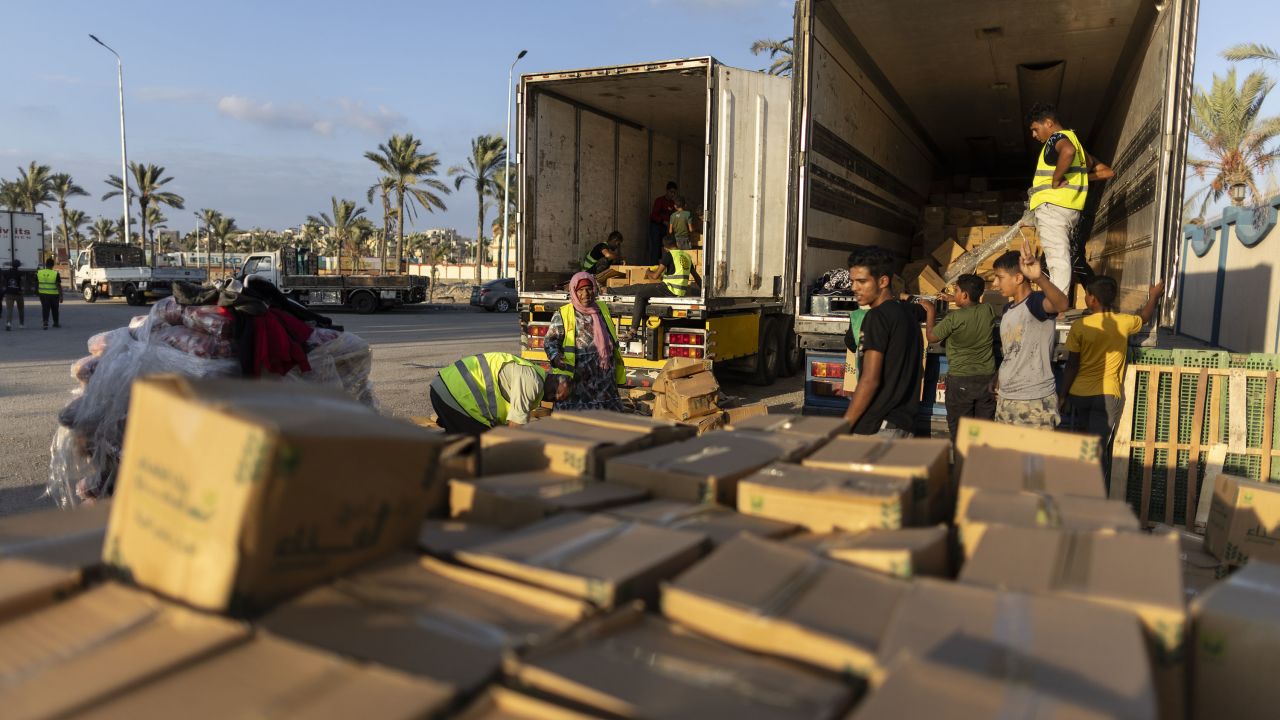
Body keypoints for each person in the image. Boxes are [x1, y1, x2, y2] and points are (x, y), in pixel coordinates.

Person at [1061, 276, 1164, 474]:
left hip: (1080, 395)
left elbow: (1072, 365)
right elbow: (1144, 317)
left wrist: (1063, 395)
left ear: (1092, 300)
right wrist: (1153, 297)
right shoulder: (1123, 322)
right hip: (1107, 396)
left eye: (1087, 295)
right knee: (1098, 451)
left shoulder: (1080, 326)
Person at [1026, 103, 1114, 293]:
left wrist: (1056, 179)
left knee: (1057, 261)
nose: (1034, 135)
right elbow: (1105, 171)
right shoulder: (1077, 143)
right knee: (1057, 259)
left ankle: (1056, 308)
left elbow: (1067, 152)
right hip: (1069, 209)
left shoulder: (1057, 138)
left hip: (1052, 207)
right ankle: (1057, 303)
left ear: (1048, 123)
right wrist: (1079, 178)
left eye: (1035, 129)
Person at [843, 247, 927, 437]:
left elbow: (870, 380)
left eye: (862, 281)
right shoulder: (908, 313)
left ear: (883, 281)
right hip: (904, 426)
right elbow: (927, 309)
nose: (854, 288)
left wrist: (844, 425)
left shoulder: (876, 317)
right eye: (852, 281)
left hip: (878, 427)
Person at [991, 241, 1071, 429]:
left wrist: (1039, 279)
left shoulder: (1035, 303)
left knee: (1032, 459)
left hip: (1033, 402)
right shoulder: (1007, 309)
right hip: (1006, 399)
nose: (994, 284)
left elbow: (1062, 305)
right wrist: (998, 376)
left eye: (999, 277)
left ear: (1018, 278)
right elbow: (1012, 352)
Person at [925, 273, 999, 439]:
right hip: (986, 380)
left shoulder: (954, 318)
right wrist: (953, 298)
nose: (954, 294)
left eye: (956, 291)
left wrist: (930, 310)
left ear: (964, 295)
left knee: (960, 434)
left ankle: (961, 462)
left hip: (961, 381)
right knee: (983, 432)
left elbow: (932, 337)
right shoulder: (988, 310)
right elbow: (972, 306)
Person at [429, 351, 572, 434]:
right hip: (452, 394)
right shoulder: (532, 382)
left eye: (557, 399)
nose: (553, 398)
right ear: (552, 378)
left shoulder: (532, 373)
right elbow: (515, 426)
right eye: (555, 392)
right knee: (485, 447)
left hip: (444, 389)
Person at [545, 273, 626, 411]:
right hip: (577, 380)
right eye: (580, 290)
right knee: (573, 422)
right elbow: (550, 342)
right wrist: (556, 357)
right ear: (574, 292)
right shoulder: (563, 314)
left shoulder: (602, 310)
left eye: (589, 288)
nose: (585, 294)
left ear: (594, 289)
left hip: (603, 379)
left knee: (605, 421)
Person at [613, 235, 700, 341]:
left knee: (640, 292)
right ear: (676, 243)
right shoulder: (686, 256)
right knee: (640, 287)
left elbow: (655, 276)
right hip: (679, 290)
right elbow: (696, 276)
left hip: (669, 288)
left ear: (665, 247)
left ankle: (633, 331)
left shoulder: (669, 255)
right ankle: (608, 290)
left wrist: (648, 272)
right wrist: (703, 291)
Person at [649, 181, 678, 263]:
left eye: (674, 193)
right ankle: (653, 265)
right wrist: (662, 221)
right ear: (667, 191)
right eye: (671, 192)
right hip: (656, 226)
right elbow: (653, 215)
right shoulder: (659, 200)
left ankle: (663, 266)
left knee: (665, 247)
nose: (672, 194)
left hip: (666, 228)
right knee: (656, 247)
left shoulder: (673, 203)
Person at [37, 257, 63, 329]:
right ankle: (55, 323)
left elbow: (36, 282)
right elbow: (58, 285)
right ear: (53, 265)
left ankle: (45, 323)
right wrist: (61, 296)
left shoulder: (39, 273)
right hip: (54, 294)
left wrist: (37, 292)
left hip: (43, 294)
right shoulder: (55, 274)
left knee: (45, 308)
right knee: (55, 309)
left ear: (46, 264)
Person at [2, 260, 24, 331]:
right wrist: (22, 290)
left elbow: (3, 279)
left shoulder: (6, 272)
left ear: (12, 265)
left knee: (9, 309)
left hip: (9, 293)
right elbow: (22, 283)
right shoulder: (20, 273)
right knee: (20, 309)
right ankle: (21, 324)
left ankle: (8, 323)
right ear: (19, 265)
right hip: (18, 293)